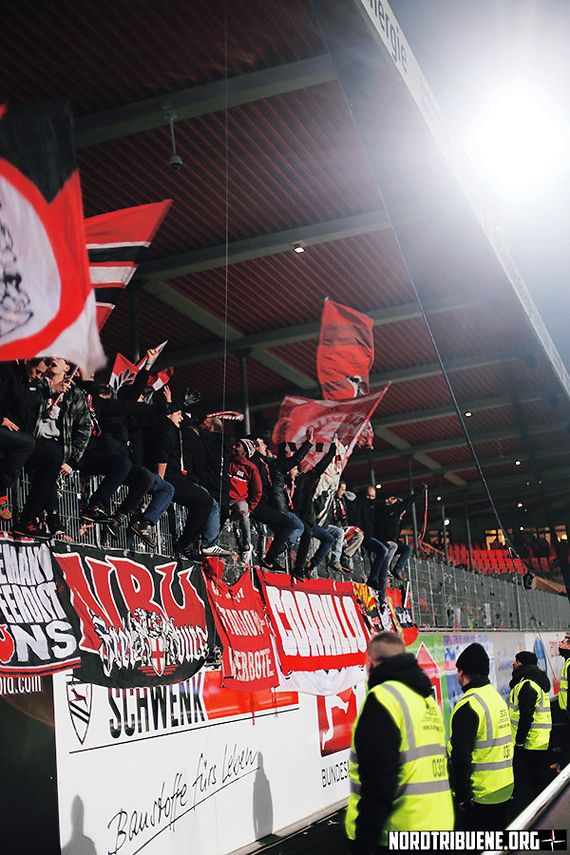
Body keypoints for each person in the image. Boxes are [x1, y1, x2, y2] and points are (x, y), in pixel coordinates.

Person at [346, 631, 454, 853]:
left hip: (400, 834)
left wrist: (363, 845)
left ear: (369, 663)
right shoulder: (426, 699)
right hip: (439, 828)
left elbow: (378, 784)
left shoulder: (382, 700)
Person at [14, 357, 91, 539]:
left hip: (56, 445)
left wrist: (73, 461)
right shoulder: (37, 384)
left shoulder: (75, 394)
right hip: (27, 439)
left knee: (52, 459)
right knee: (50, 460)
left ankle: (33, 519)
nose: (54, 359)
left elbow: (85, 428)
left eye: (60, 358)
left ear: (67, 368)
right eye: (52, 356)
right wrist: (51, 391)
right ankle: (49, 521)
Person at [449, 643, 514, 831]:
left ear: (462, 672)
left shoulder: (468, 705)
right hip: (504, 786)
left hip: (481, 794)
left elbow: (461, 757)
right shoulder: (495, 698)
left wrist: (462, 795)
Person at [145, 402, 213, 559]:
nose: (182, 418)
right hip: (167, 478)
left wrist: (175, 403)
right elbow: (161, 455)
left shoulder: (173, 429)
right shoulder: (164, 428)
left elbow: (186, 421)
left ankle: (187, 543)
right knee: (205, 501)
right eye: (179, 414)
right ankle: (185, 544)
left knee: (206, 501)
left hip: (174, 477)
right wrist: (160, 480)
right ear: (169, 414)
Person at [0, 359, 48, 519]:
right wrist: (1, 419)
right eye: (37, 371)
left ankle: (34, 519)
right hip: (7, 431)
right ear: (27, 361)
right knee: (27, 443)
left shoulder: (32, 383)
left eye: (42, 374)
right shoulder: (7, 371)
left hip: (17, 436)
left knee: (50, 456)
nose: (38, 376)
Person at [508, 651, 552, 813]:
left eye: (517, 660)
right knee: (537, 779)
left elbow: (526, 717)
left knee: (531, 781)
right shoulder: (536, 682)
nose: (514, 663)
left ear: (523, 664)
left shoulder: (527, 686)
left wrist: (519, 741)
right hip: (538, 740)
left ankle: (537, 814)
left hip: (529, 742)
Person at [289, 438, 337, 579]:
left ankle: (312, 564)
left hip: (307, 520)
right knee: (307, 533)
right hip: (293, 517)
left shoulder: (303, 480)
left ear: (297, 471)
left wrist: (331, 454)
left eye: (292, 468)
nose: (289, 470)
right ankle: (298, 568)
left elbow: (319, 468)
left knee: (328, 538)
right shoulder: (283, 480)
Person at [228, 438, 263, 562]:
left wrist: (251, 508)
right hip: (223, 498)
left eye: (238, 446)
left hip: (238, 500)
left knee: (243, 512)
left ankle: (246, 546)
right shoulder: (227, 460)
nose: (234, 447)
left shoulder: (251, 468)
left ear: (245, 452)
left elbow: (258, 491)